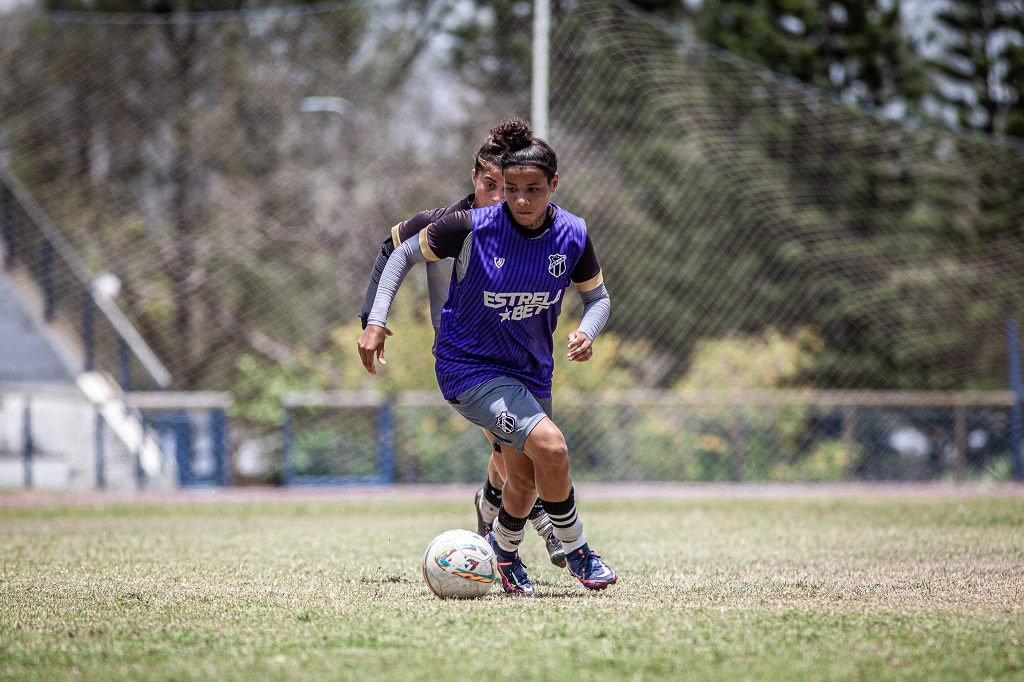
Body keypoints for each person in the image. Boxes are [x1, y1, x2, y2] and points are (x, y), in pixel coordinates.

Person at [358, 119, 617, 595]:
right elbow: (394, 254)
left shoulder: (571, 234)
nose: (512, 198)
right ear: (475, 180)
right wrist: (373, 320)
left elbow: (597, 297)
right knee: (549, 448)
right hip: (469, 365)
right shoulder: (460, 224)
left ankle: (501, 547)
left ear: (551, 186)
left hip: (531, 368)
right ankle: (575, 546)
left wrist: (587, 329)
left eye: (526, 189)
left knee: (522, 474)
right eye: (498, 186)